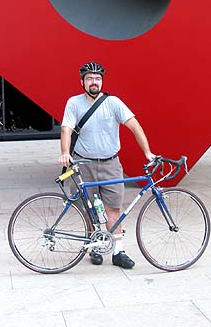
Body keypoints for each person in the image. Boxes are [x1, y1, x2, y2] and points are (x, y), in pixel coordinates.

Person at [59, 61, 156, 269]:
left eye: (97, 78)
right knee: (88, 208)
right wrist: (65, 153)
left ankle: (118, 251)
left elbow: (134, 126)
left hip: (110, 164)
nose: (94, 82)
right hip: (83, 164)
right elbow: (66, 129)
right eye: (89, 79)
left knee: (113, 207)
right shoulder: (74, 103)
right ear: (82, 82)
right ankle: (94, 245)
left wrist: (147, 152)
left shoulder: (113, 103)